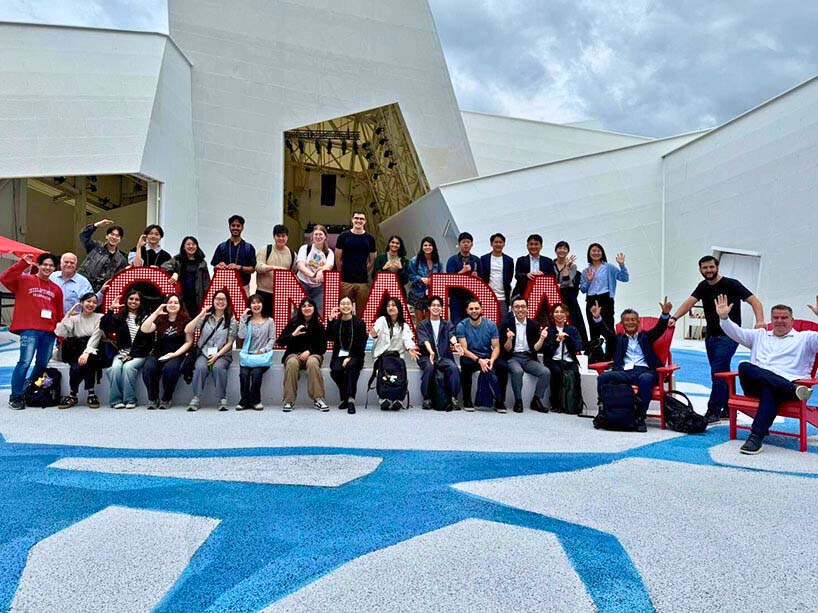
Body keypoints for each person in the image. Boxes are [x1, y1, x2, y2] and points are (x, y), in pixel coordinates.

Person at [715, 297, 818, 455]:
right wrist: (724, 318)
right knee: (744, 366)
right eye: (776, 318)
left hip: (780, 391)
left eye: (784, 318)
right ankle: (792, 389)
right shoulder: (760, 335)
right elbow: (736, 333)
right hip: (760, 386)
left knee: (770, 389)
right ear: (771, 319)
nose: (779, 321)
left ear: (792, 320)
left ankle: (755, 437)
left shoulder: (805, 338)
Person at [669, 255, 765, 423]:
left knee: (718, 373)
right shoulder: (703, 286)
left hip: (729, 336)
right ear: (700, 270)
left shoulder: (731, 284)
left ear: (717, 266)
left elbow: (755, 301)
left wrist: (760, 321)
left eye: (711, 267)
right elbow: (689, 303)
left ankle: (713, 411)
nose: (708, 271)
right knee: (722, 372)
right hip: (711, 337)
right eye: (705, 268)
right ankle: (728, 409)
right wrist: (674, 317)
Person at [592, 297, 673, 432]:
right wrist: (597, 317)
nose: (630, 322)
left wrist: (665, 314)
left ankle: (639, 416)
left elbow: (659, 329)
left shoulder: (646, 337)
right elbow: (606, 332)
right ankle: (603, 411)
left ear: (638, 322)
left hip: (645, 371)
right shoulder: (618, 339)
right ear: (622, 323)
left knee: (645, 379)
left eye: (633, 320)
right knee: (603, 378)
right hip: (625, 372)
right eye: (627, 320)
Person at [1, 253, 63, 410]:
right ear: (38, 265)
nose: (48, 268)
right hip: (30, 330)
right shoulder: (24, 280)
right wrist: (22, 263)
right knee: (24, 362)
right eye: (45, 265)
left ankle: (29, 389)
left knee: (42, 364)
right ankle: (15, 396)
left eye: (51, 266)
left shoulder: (56, 289)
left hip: (49, 332)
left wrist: (60, 334)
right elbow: (5, 278)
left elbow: (59, 313)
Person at [184, 291, 238, 412]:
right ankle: (196, 397)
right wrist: (201, 314)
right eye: (217, 299)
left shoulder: (231, 320)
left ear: (227, 302)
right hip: (204, 353)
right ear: (213, 301)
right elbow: (188, 329)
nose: (220, 301)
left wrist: (217, 355)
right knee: (200, 367)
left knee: (217, 368)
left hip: (222, 354)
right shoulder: (205, 317)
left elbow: (230, 343)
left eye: (223, 299)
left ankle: (222, 399)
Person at [498, 296, 551, 413]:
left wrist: (542, 339)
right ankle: (518, 400)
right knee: (517, 371)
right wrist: (509, 339)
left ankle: (536, 400)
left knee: (545, 372)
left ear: (527, 309)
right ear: (512, 309)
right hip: (512, 357)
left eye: (523, 307)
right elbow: (506, 349)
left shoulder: (534, 325)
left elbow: (535, 349)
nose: (520, 309)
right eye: (517, 307)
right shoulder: (506, 324)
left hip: (528, 358)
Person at [100, 289, 152, 409]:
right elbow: (104, 326)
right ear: (126, 300)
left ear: (141, 302)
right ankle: (115, 400)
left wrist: (133, 354)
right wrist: (111, 310)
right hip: (122, 353)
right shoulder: (120, 317)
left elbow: (148, 341)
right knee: (115, 368)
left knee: (128, 367)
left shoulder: (146, 317)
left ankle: (130, 399)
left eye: (137, 299)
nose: (134, 301)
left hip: (140, 354)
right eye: (131, 299)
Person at [140, 294, 193, 410]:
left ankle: (166, 398)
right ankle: (153, 398)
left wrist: (175, 354)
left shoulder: (186, 320)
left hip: (176, 354)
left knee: (171, 369)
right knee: (149, 368)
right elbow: (144, 329)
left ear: (180, 305)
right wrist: (155, 313)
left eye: (176, 302)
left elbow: (189, 342)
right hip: (158, 353)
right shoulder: (160, 320)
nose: (172, 305)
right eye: (170, 302)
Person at [277, 297, 329, 412]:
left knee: (312, 363)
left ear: (314, 308)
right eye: (304, 306)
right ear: (300, 309)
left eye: (310, 305)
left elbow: (323, 347)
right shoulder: (294, 322)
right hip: (293, 354)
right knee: (291, 363)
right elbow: (280, 342)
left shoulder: (318, 325)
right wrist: (293, 334)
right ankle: (289, 400)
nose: (307, 308)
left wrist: (309, 352)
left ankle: (318, 399)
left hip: (313, 355)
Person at [55, 292, 104, 409]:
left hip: (93, 347)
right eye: (88, 301)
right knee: (76, 365)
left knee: (89, 362)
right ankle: (73, 394)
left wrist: (87, 352)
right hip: (75, 348)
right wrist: (67, 316)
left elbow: (96, 336)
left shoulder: (100, 317)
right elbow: (60, 332)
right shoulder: (74, 318)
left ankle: (90, 392)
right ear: (81, 303)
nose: (91, 304)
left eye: (94, 302)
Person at [370, 297, 420, 410]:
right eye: (388, 306)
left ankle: (398, 398)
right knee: (382, 374)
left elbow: (407, 339)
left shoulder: (404, 325)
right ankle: (383, 398)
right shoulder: (381, 320)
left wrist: (410, 348)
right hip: (382, 356)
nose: (390, 308)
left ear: (399, 308)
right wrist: (374, 335)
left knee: (398, 374)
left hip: (397, 358)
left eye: (393, 305)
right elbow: (374, 333)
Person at [456, 298, 504, 412]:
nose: (474, 311)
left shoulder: (491, 325)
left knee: (502, 366)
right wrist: (479, 360)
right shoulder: (461, 326)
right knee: (465, 365)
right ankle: (467, 400)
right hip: (470, 356)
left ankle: (499, 401)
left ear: (481, 309)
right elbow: (464, 349)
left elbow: (496, 347)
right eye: (471, 309)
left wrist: (491, 360)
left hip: (487, 356)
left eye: (476, 308)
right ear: (467, 311)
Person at [416, 295, 462, 411]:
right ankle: (427, 398)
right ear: (429, 308)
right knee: (429, 367)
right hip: (427, 356)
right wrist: (431, 352)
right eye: (433, 305)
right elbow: (424, 340)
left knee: (453, 368)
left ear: (442, 308)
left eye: (438, 306)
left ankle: (453, 398)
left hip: (444, 356)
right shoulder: (422, 324)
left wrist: (455, 344)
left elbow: (451, 336)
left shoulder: (447, 324)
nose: (436, 308)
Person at [326, 296, 368, 414]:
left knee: (351, 367)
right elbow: (328, 337)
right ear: (339, 307)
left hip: (356, 355)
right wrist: (330, 321)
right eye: (343, 304)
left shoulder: (359, 322)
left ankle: (350, 400)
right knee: (335, 370)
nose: (345, 306)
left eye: (348, 303)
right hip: (339, 356)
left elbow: (362, 344)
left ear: (352, 306)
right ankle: (344, 396)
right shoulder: (337, 322)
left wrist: (350, 357)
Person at [542, 303, 584, 413]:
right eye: (556, 312)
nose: (559, 314)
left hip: (569, 359)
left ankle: (575, 403)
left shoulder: (572, 330)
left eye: (562, 312)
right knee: (556, 372)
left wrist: (568, 339)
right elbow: (546, 349)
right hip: (553, 360)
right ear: (552, 314)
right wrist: (556, 342)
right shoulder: (549, 329)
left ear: (566, 314)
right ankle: (555, 403)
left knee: (575, 373)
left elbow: (579, 346)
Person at [236, 294, 276, 410]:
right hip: (247, 357)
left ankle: (255, 400)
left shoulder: (269, 321)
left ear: (263, 304)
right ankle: (244, 401)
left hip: (261, 357)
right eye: (253, 303)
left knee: (256, 373)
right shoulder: (247, 321)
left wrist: (263, 350)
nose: (256, 305)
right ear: (249, 306)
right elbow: (241, 335)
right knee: (243, 374)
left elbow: (272, 339)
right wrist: (243, 319)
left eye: (258, 302)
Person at [580, 243, 628, 334]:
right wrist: (589, 281)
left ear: (602, 253)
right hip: (591, 300)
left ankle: (612, 347)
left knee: (608, 326)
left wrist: (622, 265)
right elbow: (583, 289)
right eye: (593, 251)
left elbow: (624, 278)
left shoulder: (609, 267)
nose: (596, 253)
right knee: (593, 329)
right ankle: (595, 348)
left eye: (598, 251)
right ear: (589, 253)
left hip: (605, 299)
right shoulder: (586, 271)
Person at [335, 211, 376, 315]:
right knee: (343, 311)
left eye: (361, 219)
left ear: (365, 221)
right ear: (352, 220)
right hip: (345, 281)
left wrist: (363, 271)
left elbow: (372, 260)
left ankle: (359, 330)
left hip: (362, 281)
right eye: (356, 218)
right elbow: (338, 259)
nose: (359, 221)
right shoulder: (343, 236)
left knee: (361, 312)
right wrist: (342, 272)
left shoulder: (370, 238)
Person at [162, 236, 211, 318]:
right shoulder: (177, 259)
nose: (191, 246)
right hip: (182, 296)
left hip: (197, 298)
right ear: (183, 247)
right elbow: (164, 266)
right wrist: (174, 273)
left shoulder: (202, 262)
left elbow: (206, 283)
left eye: (193, 244)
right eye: (188, 244)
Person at [256, 224, 296, 316]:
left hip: (282, 295)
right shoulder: (265, 250)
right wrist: (272, 268)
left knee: (280, 325)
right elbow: (258, 267)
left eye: (283, 236)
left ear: (287, 237)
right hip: (264, 293)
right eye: (278, 236)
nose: (281, 239)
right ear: (274, 237)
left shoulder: (292, 254)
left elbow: (294, 272)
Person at [78, 219, 128, 293]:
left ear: (120, 239)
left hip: (102, 292)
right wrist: (96, 225)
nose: (114, 237)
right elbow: (83, 236)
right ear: (106, 236)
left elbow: (118, 280)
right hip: (84, 285)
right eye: (112, 234)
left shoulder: (121, 259)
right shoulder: (95, 246)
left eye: (117, 236)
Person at [553, 240, 588, 345]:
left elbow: (567, 281)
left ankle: (580, 346)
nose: (562, 250)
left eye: (565, 248)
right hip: (554, 295)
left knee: (574, 320)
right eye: (560, 248)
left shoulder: (573, 266)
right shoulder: (551, 264)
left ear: (568, 251)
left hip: (568, 296)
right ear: (556, 250)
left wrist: (567, 267)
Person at [296, 224, 335, 316]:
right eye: (316, 234)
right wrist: (313, 275)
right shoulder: (305, 248)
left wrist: (321, 271)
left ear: (325, 237)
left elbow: (328, 266)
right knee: (299, 311)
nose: (318, 237)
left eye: (321, 234)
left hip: (319, 288)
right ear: (312, 237)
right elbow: (300, 265)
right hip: (302, 283)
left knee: (319, 312)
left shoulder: (329, 252)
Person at [211, 215, 257, 291]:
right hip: (224, 287)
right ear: (229, 227)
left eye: (238, 226)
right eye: (233, 225)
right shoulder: (221, 247)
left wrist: (239, 267)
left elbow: (253, 269)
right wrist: (218, 267)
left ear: (242, 228)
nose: (235, 228)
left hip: (243, 287)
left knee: (245, 303)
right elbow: (214, 268)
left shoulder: (248, 248)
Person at [445, 232, 481, 325]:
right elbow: (449, 279)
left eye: (468, 242)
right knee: (457, 323)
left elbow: (483, 279)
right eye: (463, 242)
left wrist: (477, 278)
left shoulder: (476, 260)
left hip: (471, 297)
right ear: (459, 244)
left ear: (472, 244)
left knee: (472, 323)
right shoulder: (452, 260)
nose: (465, 244)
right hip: (456, 297)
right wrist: (462, 271)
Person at [480, 233, 514, 321]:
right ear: (491, 244)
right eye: (496, 242)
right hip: (488, 296)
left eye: (500, 242)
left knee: (503, 322)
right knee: (487, 322)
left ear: (504, 244)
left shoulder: (509, 260)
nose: (498, 244)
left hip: (503, 297)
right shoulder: (484, 259)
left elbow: (509, 278)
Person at [407, 236, 442, 322]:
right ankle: (420, 335)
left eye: (430, 245)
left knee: (428, 319)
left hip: (431, 293)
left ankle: (427, 335)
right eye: (425, 245)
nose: (427, 247)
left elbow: (441, 276)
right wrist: (420, 279)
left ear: (433, 247)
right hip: (418, 293)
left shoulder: (438, 262)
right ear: (422, 247)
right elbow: (410, 276)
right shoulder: (415, 260)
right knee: (419, 319)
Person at [513, 234, 555, 300]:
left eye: (536, 244)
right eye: (531, 244)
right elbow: (517, 275)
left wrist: (543, 274)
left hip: (542, 295)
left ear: (541, 246)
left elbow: (553, 275)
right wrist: (526, 275)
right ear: (527, 246)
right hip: (523, 293)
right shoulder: (521, 260)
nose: (533, 246)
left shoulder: (548, 261)